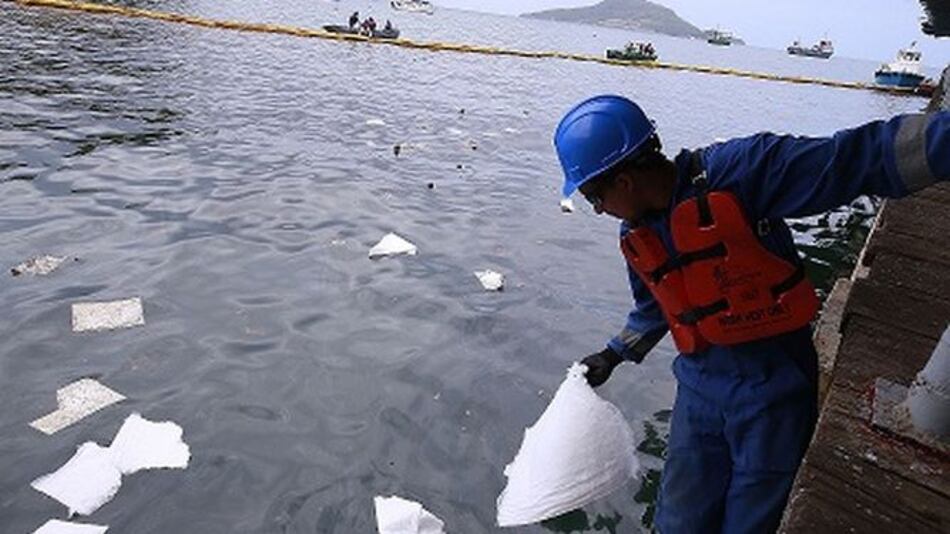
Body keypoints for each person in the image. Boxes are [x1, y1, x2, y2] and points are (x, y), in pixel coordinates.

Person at [553, 95, 949, 534]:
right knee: (679, 519)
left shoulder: (743, 171)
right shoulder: (638, 233)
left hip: (773, 389)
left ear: (623, 181)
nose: (598, 209)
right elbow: (654, 308)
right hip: (700, 390)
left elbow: (856, 158)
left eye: (593, 195)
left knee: (752, 518)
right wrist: (612, 356)